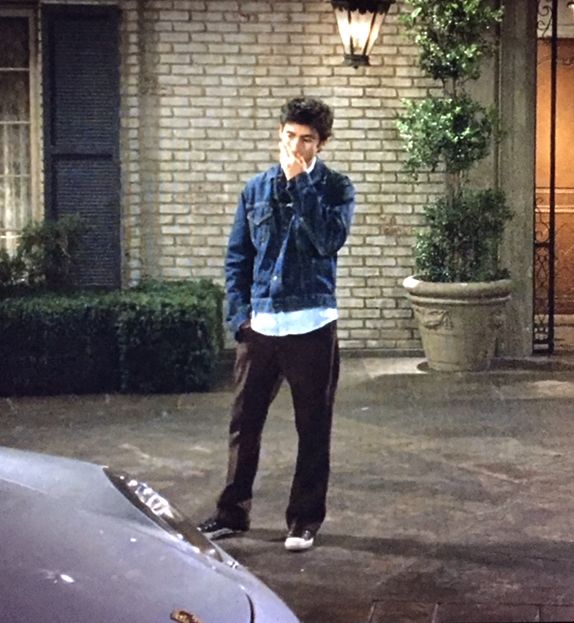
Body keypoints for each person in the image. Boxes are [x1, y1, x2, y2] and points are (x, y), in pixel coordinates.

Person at [198, 96, 355, 552]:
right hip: (262, 326)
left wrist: (301, 184)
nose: (296, 146)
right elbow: (237, 258)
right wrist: (240, 319)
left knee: (313, 426)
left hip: (312, 324)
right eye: (289, 136)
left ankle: (304, 520)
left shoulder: (336, 189)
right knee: (244, 423)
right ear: (279, 135)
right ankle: (232, 512)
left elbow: (328, 241)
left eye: (307, 139)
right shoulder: (255, 190)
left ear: (321, 144)